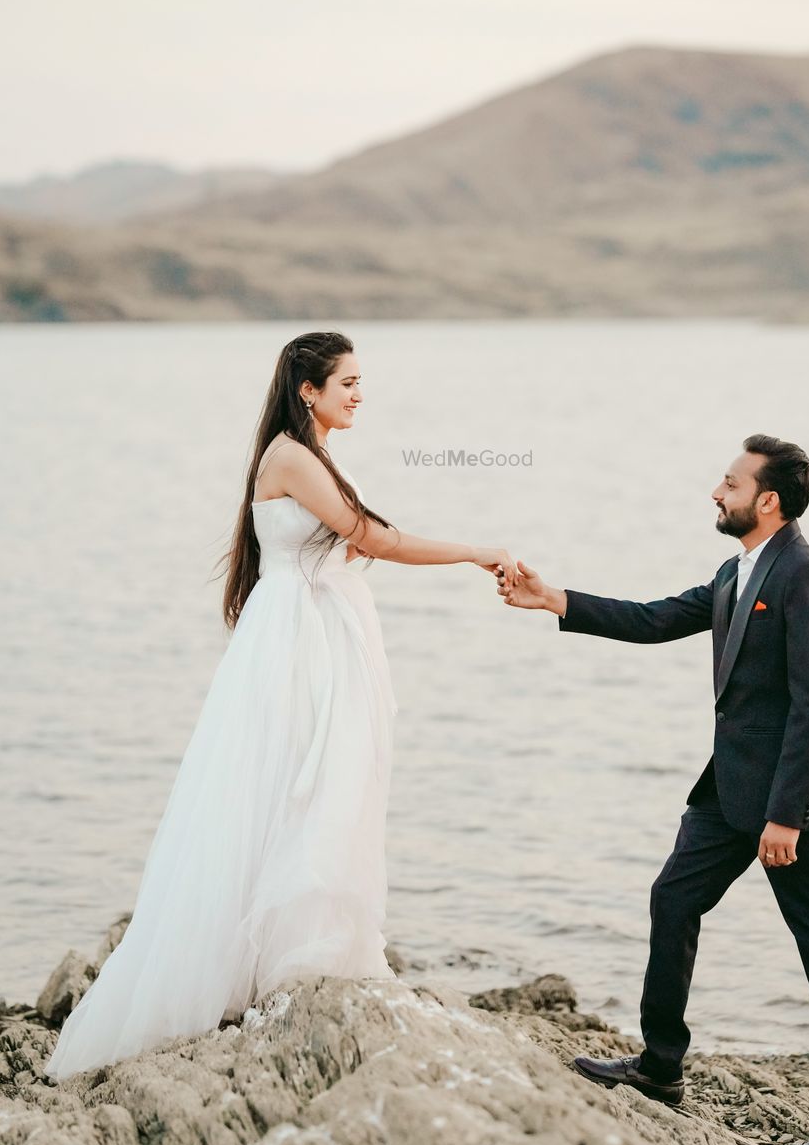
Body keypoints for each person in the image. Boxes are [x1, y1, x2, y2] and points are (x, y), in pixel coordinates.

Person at [43, 330, 516, 1081]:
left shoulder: (317, 454)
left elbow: (351, 544)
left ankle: (304, 950)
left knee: (325, 784)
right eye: (348, 382)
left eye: (363, 381)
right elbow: (370, 537)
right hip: (297, 640)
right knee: (295, 785)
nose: (361, 393)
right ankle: (281, 962)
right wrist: (473, 551)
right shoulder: (291, 457)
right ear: (308, 389)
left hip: (322, 629)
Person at [494, 434, 809, 1145]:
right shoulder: (737, 569)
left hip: (788, 798)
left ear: (767, 499)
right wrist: (551, 599)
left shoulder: (805, 575)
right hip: (726, 790)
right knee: (674, 899)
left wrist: (786, 814)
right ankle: (660, 1067)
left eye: (729, 482)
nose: (716, 492)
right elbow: (657, 618)